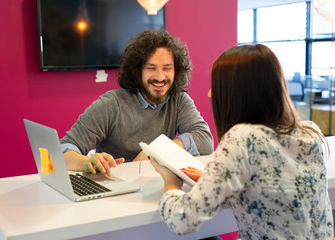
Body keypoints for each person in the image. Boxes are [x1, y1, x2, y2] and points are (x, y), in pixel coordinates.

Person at [150, 44, 334, 239]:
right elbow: (276, 186)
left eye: (218, 86)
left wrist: (171, 182)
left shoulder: (243, 138)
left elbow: (182, 221)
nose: (211, 93)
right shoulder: (311, 132)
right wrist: (216, 176)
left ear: (237, 93)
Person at [60, 29, 214, 176]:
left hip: (159, 186)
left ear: (176, 71)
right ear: (138, 70)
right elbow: (63, 149)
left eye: (167, 68)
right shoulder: (110, 104)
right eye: (151, 68)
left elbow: (205, 140)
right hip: (114, 190)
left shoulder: (178, 100)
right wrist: (86, 161)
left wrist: (156, 151)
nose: (160, 77)